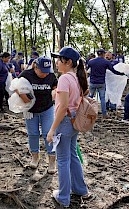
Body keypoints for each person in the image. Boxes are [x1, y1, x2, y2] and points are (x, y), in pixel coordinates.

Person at [47, 46, 92, 207]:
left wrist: (52, 129)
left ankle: (63, 196)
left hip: (65, 122)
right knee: (72, 155)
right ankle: (80, 189)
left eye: (59, 60)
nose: (57, 62)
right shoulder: (76, 77)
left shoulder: (65, 79)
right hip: (74, 122)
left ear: (68, 62)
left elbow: (62, 106)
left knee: (63, 160)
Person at [18, 56, 58, 173]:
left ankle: (51, 161)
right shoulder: (26, 74)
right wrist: (24, 98)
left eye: (46, 71)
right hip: (30, 110)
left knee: (48, 133)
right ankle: (35, 157)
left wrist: (55, 92)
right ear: (35, 67)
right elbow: (15, 87)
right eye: (42, 71)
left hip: (47, 108)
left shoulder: (51, 75)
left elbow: (56, 87)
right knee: (33, 134)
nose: (44, 74)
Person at [88, 49, 124, 118]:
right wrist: (121, 74)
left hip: (92, 82)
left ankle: (87, 112)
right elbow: (113, 71)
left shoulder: (91, 62)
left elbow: (87, 70)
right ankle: (104, 114)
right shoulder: (106, 62)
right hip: (101, 83)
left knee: (90, 98)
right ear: (103, 54)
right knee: (102, 99)